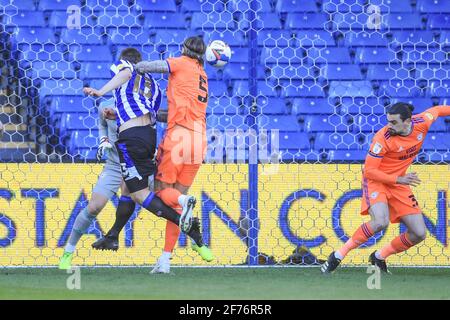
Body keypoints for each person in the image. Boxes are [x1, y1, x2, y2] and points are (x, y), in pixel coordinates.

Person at [59, 47, 209, 270]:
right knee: (95, 207)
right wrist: (103, 140)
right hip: (116, 161)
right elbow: (107, 123)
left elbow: (130, 79)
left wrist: (100, 90)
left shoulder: (129, 75)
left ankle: (185, 225)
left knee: (139, 195)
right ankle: (78, 250)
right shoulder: (134, 98)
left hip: (130, 147)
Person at [321, 102, 450, 274]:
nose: (389, 126)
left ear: (407, 121)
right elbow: (369, 171)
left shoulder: (422, 122)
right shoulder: (382, 138)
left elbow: (438, 110)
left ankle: (379, 256)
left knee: (419, 233)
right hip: (377, 181)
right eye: (388, 121)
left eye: (394, 122)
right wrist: (398, 179)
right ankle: (338, 255)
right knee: (380, 222)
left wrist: (399, 180)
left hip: (399, 184)